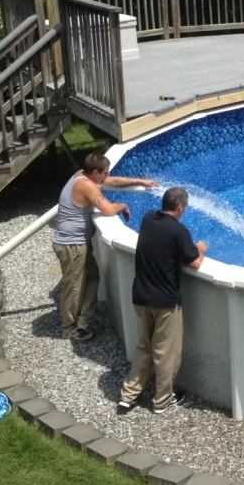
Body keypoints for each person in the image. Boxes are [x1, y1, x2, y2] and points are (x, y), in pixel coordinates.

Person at [118, 187, 207, 415]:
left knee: (144, 347)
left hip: (141, 296)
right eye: (184, 208)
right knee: (165, 353)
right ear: (180, 208)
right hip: (165, 302)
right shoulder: (179, 231)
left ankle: (128, 396)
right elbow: (195, 263)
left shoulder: (148, 219)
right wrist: (201, 249)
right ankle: (162, 400)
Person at [52, 153, 156, 342]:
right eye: (104, 173)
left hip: (77, 242)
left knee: (92, 278)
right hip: (71, 245)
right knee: (74, 286)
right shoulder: (86, 185)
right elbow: (108, 210)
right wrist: (122, 205)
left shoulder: (82, 175)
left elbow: (114, 181)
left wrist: (141, 181)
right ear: (95, 172)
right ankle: (68, 328)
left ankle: (84, 322)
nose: (106, 177)